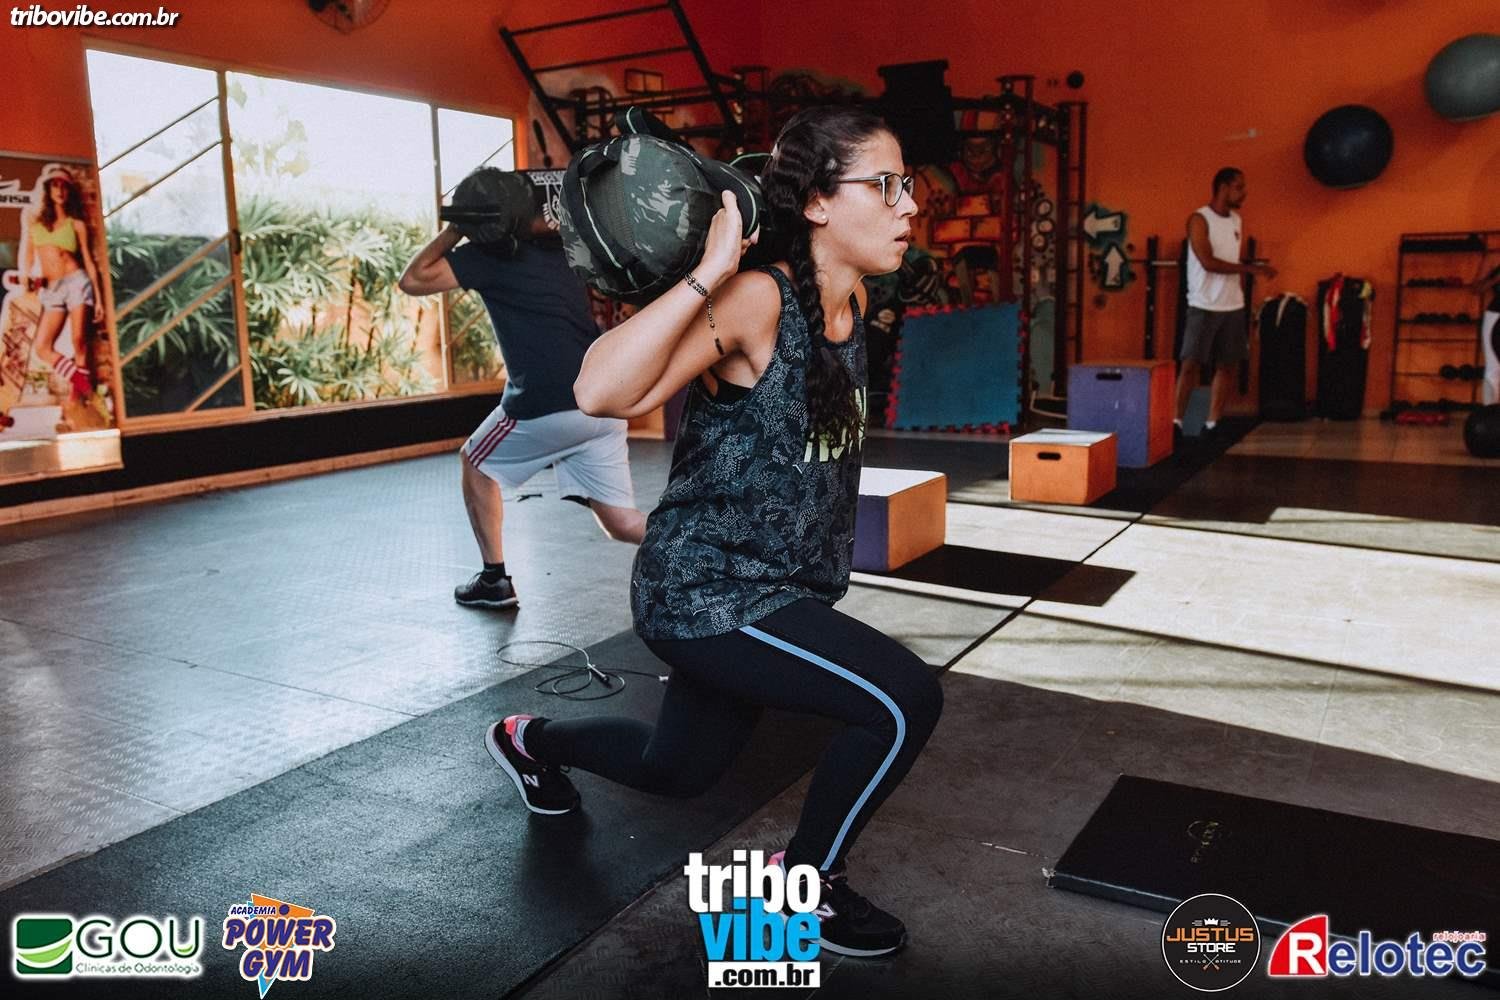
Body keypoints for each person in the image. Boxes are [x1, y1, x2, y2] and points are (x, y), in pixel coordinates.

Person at [481, 107, 943, 959]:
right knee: (902, 700)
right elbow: (597, 393)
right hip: (706, 592)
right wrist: (709, 271)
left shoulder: (852, 297)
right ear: (817, 202)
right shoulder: (757, 299)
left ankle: (528, 741)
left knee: (678, 769)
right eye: (886, 185)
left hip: (775, 590)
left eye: (906, 183)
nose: (909, 203)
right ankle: (807, 884)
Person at [399, 204, 645, 609]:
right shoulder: (562, 250)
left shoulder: (486, 257)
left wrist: (455, 230)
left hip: (547, 404)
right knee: (622, 523)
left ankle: (493, 579)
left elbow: (412, 279)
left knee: (475, 463)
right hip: (603, 402)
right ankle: (700, 549)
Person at [1174, 167, 1275, 437]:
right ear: (1223, 188)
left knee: (1227, 365)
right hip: (1203, 304)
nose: (1244, 193)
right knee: (1190, 364)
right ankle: (1177, 421)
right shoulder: (1199, 219)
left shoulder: (1236, 220)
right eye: (1239, 187)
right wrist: (1250, 269)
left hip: (1232, 304)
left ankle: (1212, 422)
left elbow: (1228, 259)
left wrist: (1246, 269)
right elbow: (1208, 262)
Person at [19, 164, 104, 399]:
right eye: (55, 185)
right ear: (48, 189)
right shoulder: (35, 224)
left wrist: (98, 299)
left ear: (69, 192)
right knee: (42, 347)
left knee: (79, 340)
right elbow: (28, 256)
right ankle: (83, 385)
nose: (60, 191)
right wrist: (26, 277)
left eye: (65, 187)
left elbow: (89, 261)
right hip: (52, 287)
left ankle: (79, 398)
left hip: (76, 282)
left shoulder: (76, 225)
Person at [1473, 254, 1500, 406]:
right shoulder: (1493, 258)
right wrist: (1494, 280)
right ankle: (1491, 413)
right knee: (1493, 367)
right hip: (1496, 316)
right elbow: (1476, 289)